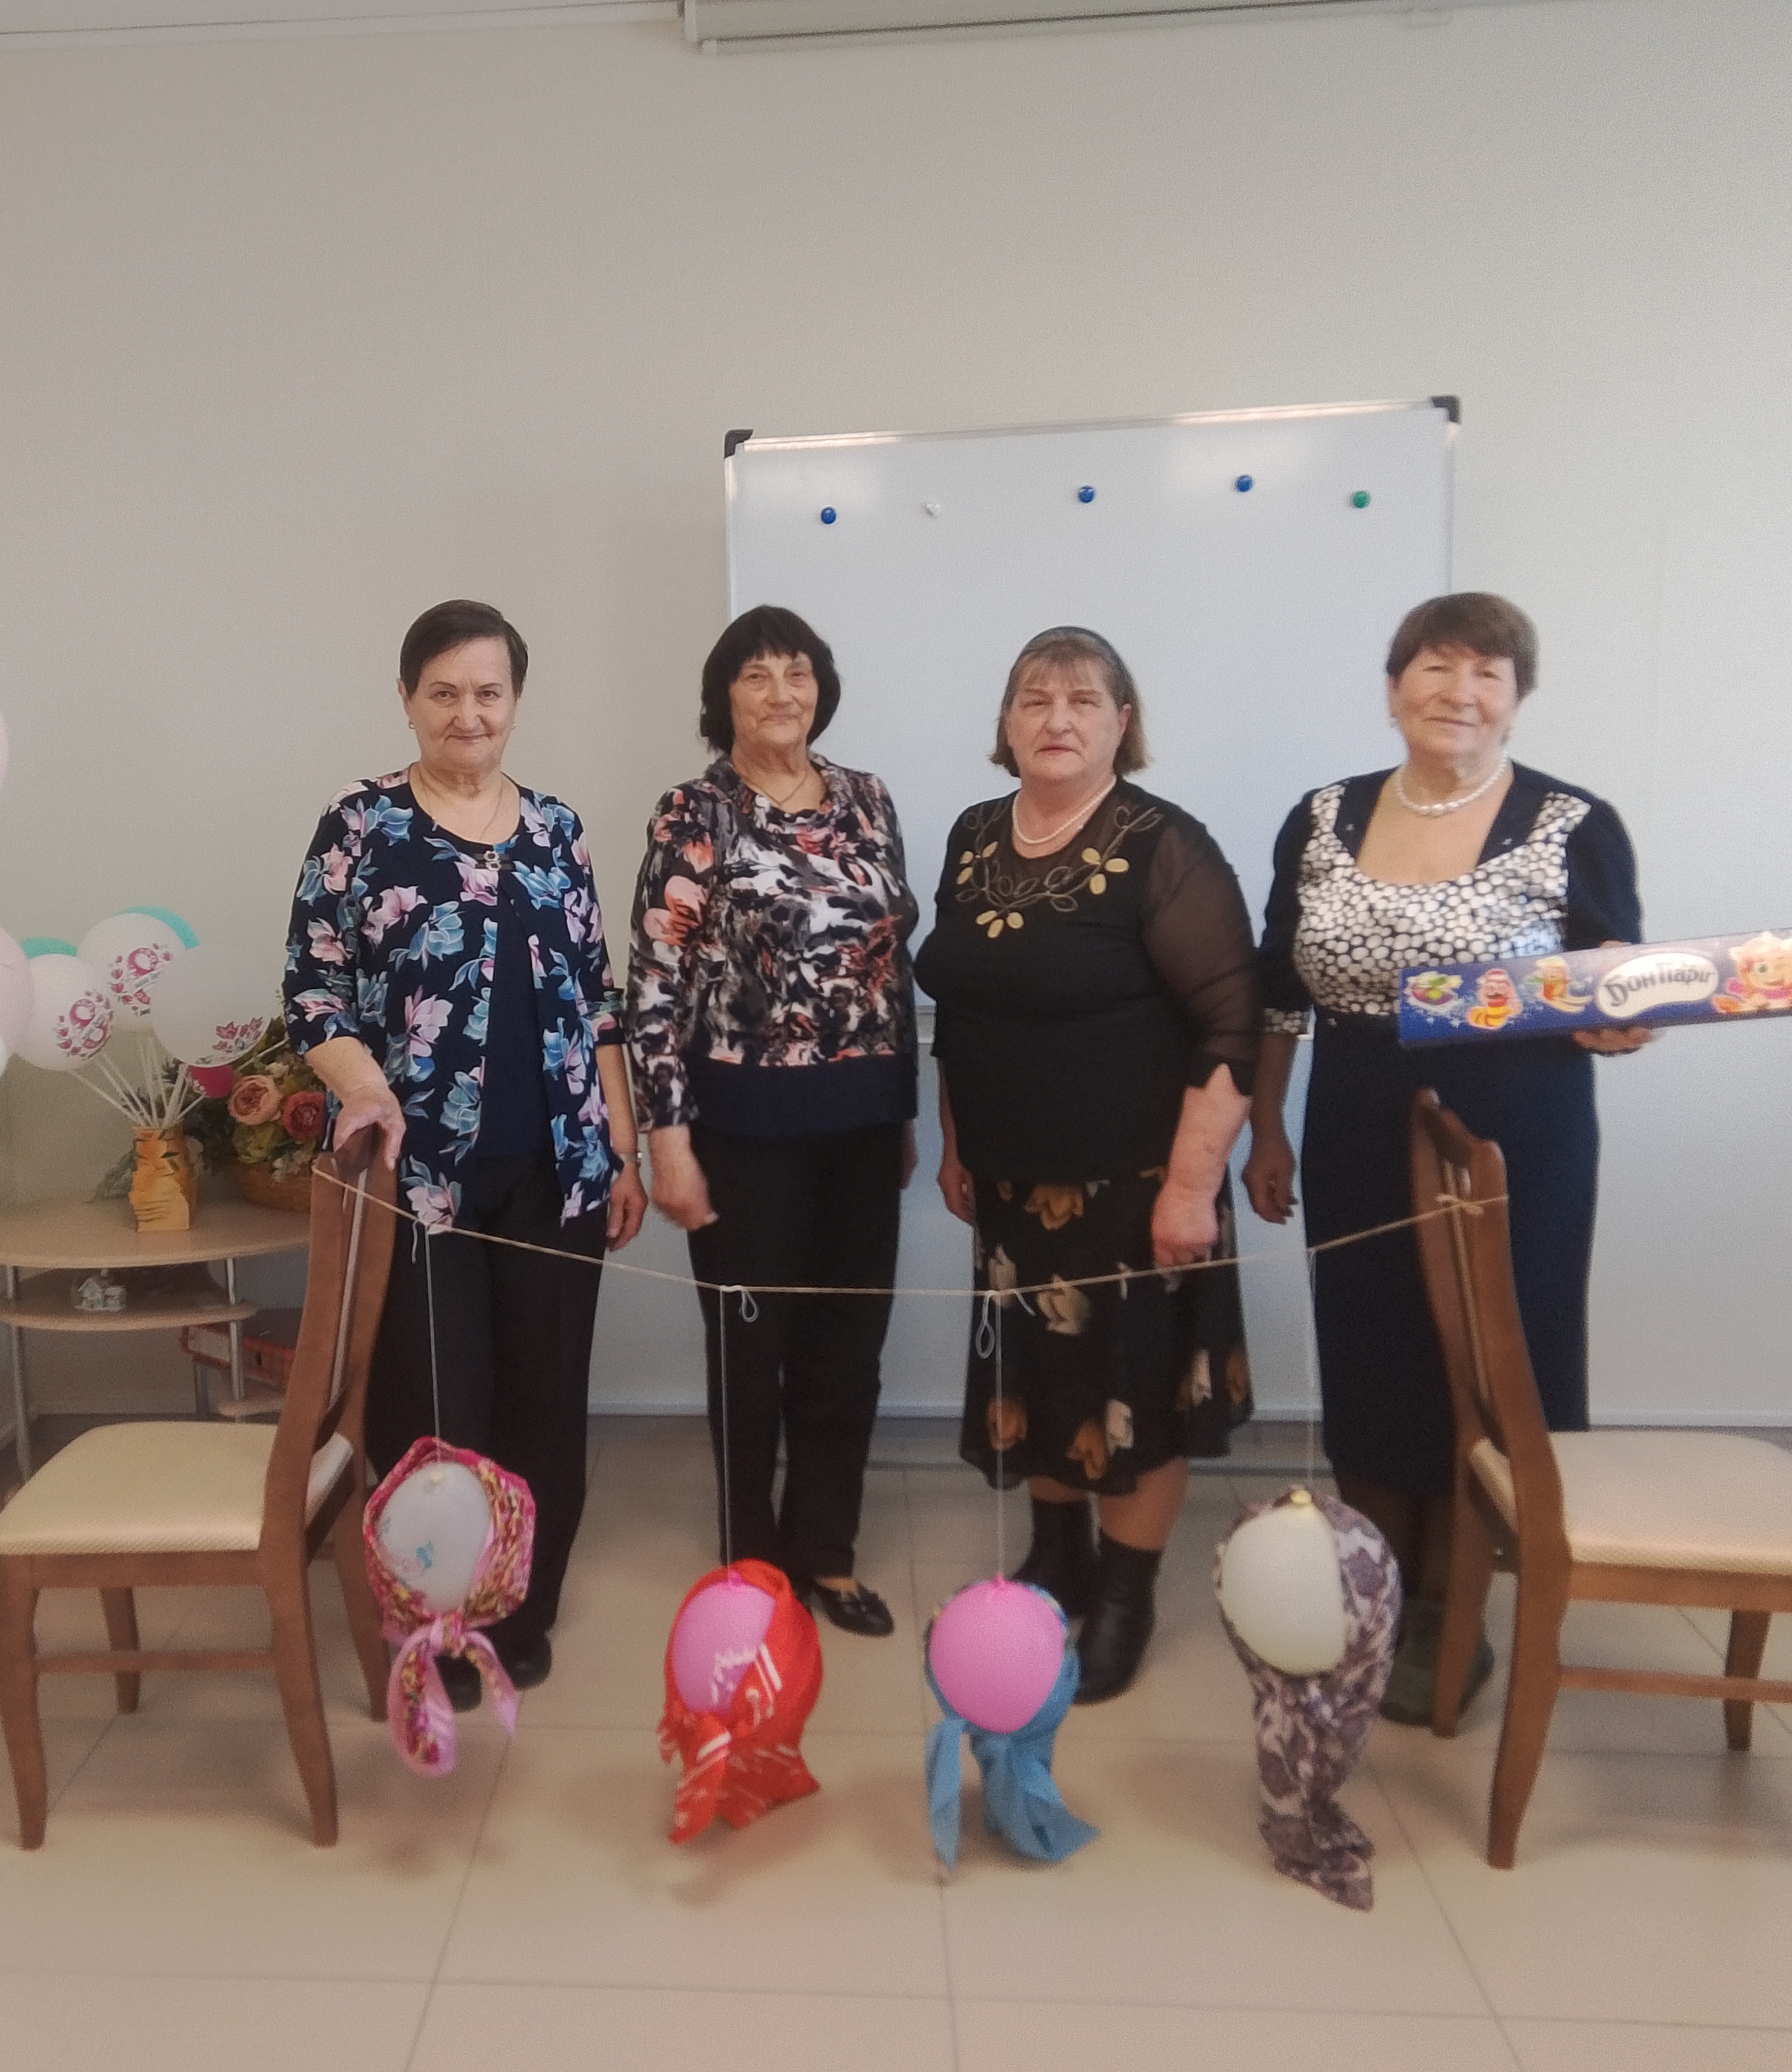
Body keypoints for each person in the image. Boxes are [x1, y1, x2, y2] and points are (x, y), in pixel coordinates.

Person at [1243, 592, 1649, 1724]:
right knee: (1374, 1349)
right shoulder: (1322, 815)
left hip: (1515, 1136)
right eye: (1435, 666)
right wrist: (1267, 1126)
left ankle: (1456, 1609)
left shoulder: (1575, 822)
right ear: (1393, 687)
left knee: (1485, 1360)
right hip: (1356, 1120)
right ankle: (1379, 1593)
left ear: (1516, 701)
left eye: (1487, 674)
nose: (1458, 692)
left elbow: (1612, 983)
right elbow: (1278, 992)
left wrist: (1621, 1021)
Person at [285, 599, 647, 1701]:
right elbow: (314, 991)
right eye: (443, 692)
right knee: (437, 1408)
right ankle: (437, 1624)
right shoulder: (360, 825)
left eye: (488, 692)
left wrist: (622, 1149)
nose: (468, 712)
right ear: (407, 699)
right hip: (421, 1175)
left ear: (515, 701)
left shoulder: (558, 830)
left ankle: (521, 1611)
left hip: (558, 1170)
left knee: (545, 1397)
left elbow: (598, 1003)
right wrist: (364, 1087)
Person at [913, 626, 1259, 1702]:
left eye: (1082, 700)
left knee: (1132, 1395)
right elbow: (961, 1004)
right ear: (1007, 723)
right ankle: (1058, 1559)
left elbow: (1232, 1026)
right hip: (1014, 1186)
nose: (1056, 719)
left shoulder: (1166, 846)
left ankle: (1124, 1594)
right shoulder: (976, 834)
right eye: (1034, 699)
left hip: (1139, 1190)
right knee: (1042, 1380)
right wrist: (959, 1146)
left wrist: (1192, 1189)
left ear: (1122, 722)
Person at [627, 605, 921, 1638]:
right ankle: (752, 1561)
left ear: (820, 688)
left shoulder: (869, 799)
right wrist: (666, 1142)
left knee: (848, 1349)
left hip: (862, 1125)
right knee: (751, 1356)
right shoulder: (695, 812)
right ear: (725, 698)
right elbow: (653, 987)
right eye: (757, 674)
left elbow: (893, 967)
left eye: (798, 671)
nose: (781, 691)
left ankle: (827, 1553)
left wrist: (901, 1112)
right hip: (740, 1130)